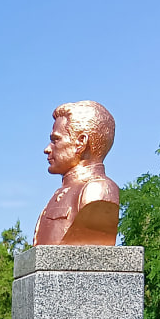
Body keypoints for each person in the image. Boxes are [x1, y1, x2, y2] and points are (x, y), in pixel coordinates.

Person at [33, 100, 120, 246]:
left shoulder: (97, 191)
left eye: (55, 140)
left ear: (81, 143)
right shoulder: (60, 194)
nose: (47, 149)